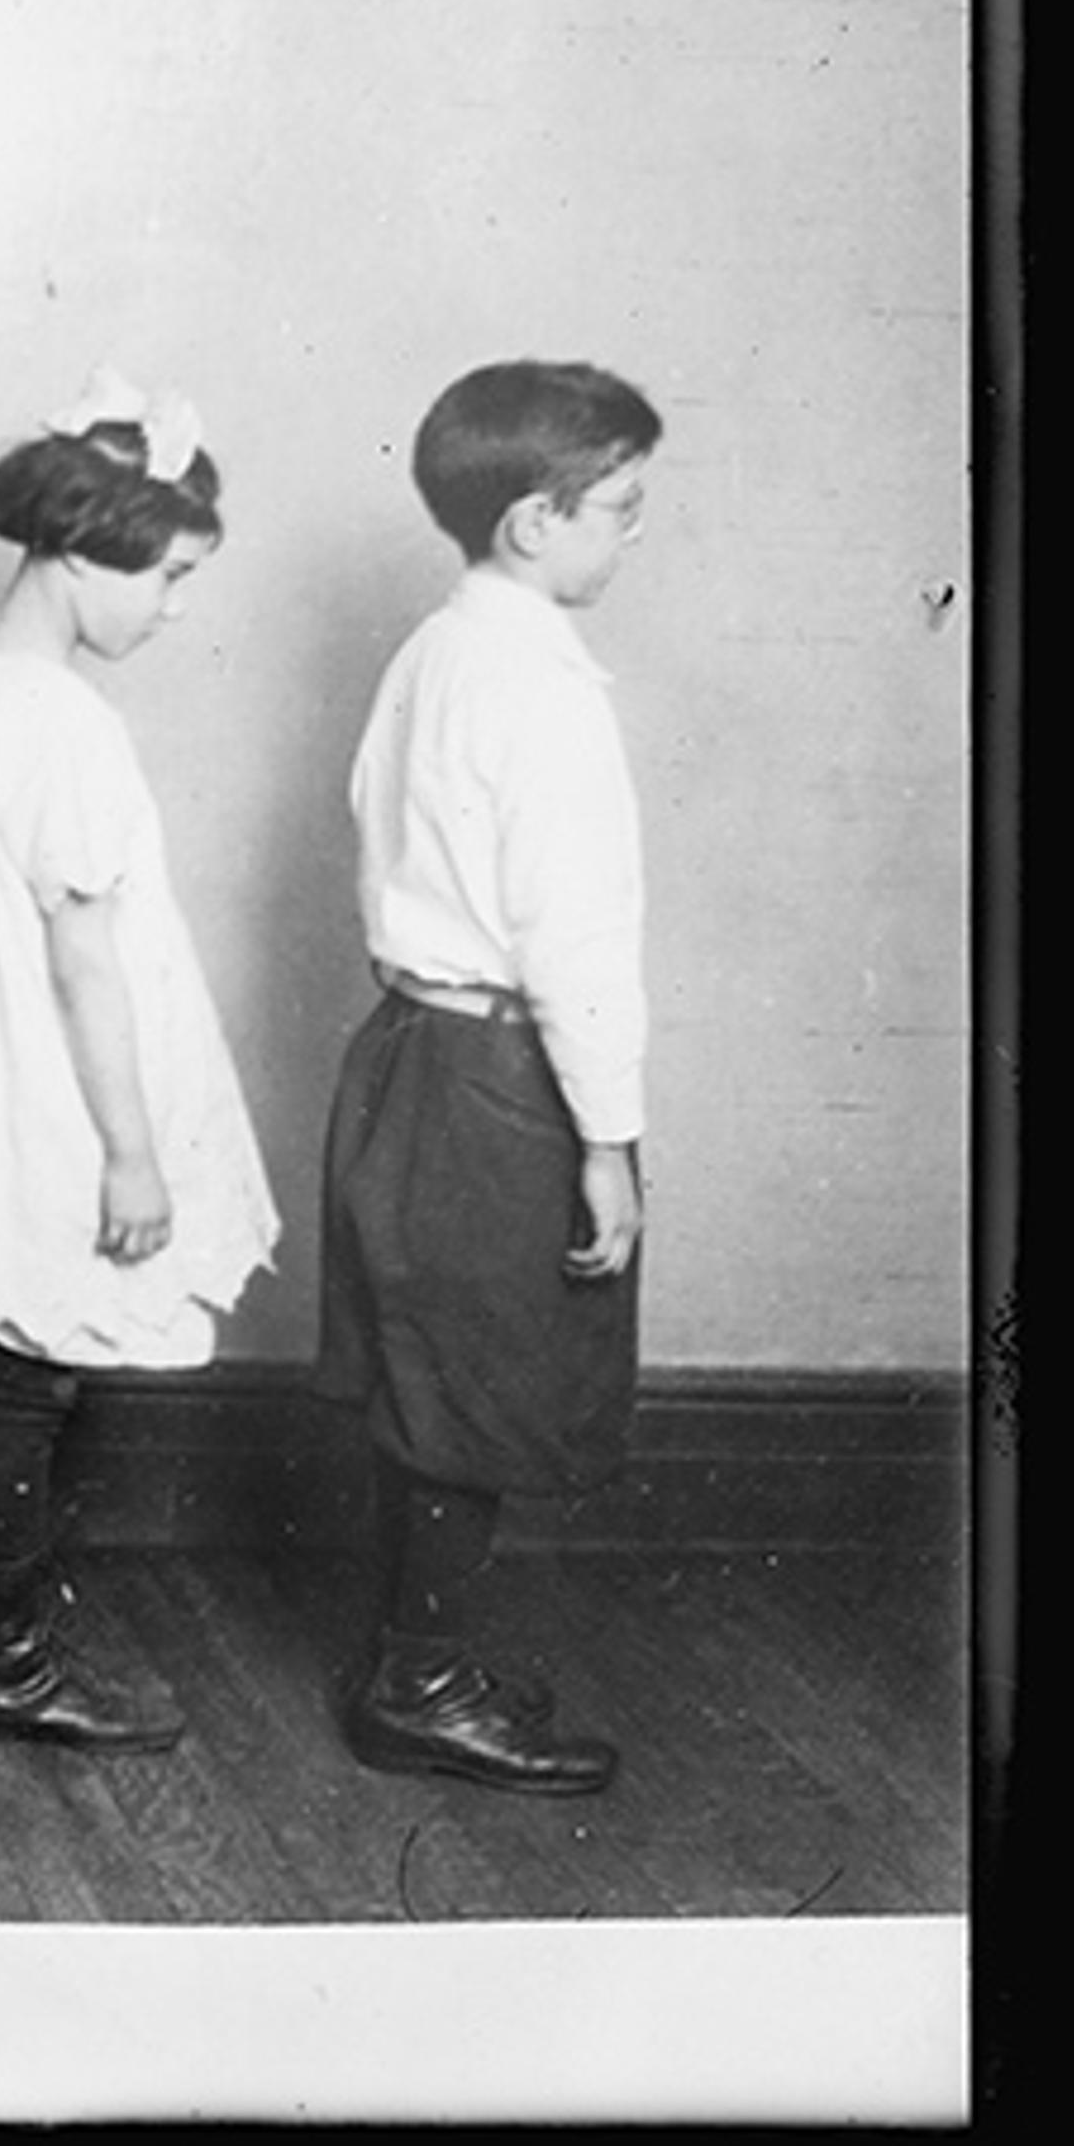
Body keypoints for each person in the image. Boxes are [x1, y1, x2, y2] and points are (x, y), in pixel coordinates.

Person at [0, 370, 277, 1752]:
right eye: (169, 576)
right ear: (86, 552)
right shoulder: (58, 720)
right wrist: (135, 1150)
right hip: (53, 1085)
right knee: (33, 1368)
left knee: (16, 1356)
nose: (174, 608)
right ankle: (4, 1657)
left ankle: (3, 1638)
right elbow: (86, 959)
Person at [318, 360, 665, 1796]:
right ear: (534, 522)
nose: (635, 534)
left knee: (434, 1361)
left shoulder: (434, 650)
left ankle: (421, 1651)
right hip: (497, 1070)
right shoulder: (544, 693)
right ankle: (422, 1680)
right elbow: (574, 940)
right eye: (622, 510)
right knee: (477, 1372)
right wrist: (610, 1137)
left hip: (409, 1043)